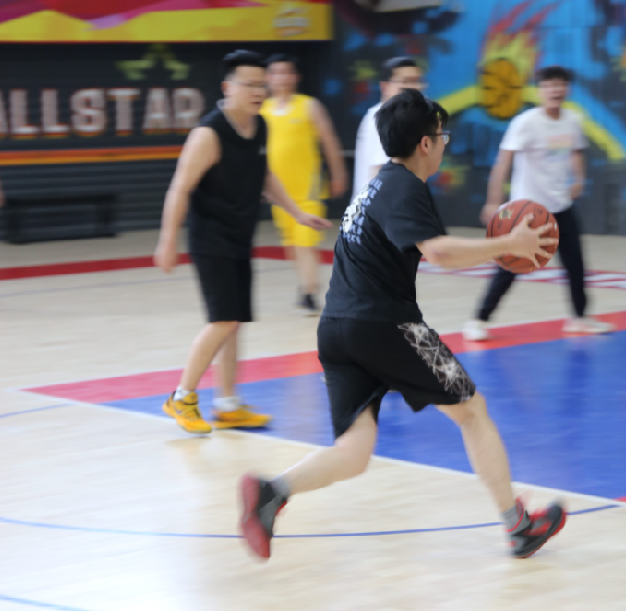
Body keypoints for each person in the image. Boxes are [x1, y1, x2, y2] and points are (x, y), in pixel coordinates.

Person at [239, 89, 566, 561]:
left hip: (336, 328)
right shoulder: (405, 187)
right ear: (425, 144)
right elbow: (440, 252)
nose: (445, 143)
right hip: (386, 324)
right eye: (442, 135)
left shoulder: (376, 185)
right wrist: (507, 244)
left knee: (354, 451)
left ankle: (271, 491)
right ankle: (518, 527)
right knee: (473, 412)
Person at [154, 50, 331, 434]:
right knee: (223, 320)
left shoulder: (260, 126)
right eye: (248, 85)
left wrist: (297, 212)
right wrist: (168, 240)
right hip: (210, 238)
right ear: (227, 87)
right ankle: (181, 397)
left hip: (239, 236)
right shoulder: (209, 134)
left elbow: (264, 175)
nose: (257, 91)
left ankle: (228, 404)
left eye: (261, 85)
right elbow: (179, 188)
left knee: (234, 323)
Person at [463, 66, 615, 341]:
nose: (555, 90)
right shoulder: (525, 123)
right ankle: (478, 320)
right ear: (539, 91)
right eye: (549, 85)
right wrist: (493, 202)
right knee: (511, 266)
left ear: (567, 89)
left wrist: (579, 178)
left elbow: (577, 151)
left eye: (560, 85)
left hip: (561, 205)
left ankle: (579, 318)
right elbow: (503, 162)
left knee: (576, 265)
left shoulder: (573, 120)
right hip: (529, 211)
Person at [261, 54, 347, 316]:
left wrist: (338, 173)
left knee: (305, 242)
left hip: (309, 193)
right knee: (291, 244)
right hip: (280, 195)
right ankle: (305, 285)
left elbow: (329, 141)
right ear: (268, 78)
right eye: (276, 72)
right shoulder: (262, 110)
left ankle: (310, 293)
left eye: (287, 72)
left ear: (296, 77)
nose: (281, 78)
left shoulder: (309, 106)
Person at [352, 56, 426, 199]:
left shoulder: (399, 119)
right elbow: (381, 176)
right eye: (405, 82)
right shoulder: (381, 119)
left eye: (416, 81)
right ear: (385, 87)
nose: (413, 88)